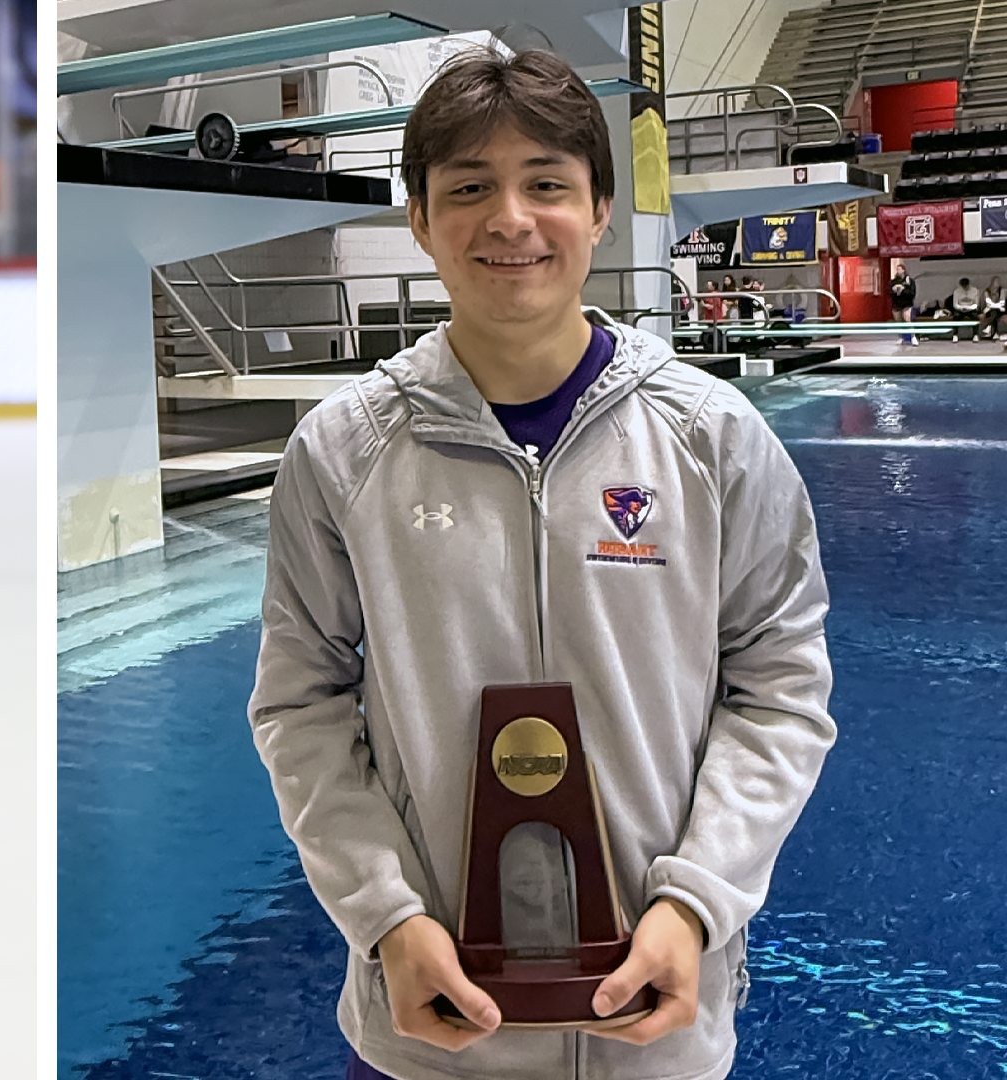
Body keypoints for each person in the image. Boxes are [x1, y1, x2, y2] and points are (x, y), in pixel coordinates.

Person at [247, 48, 834, 1080]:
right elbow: (299, 707)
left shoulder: (714, 439)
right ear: (419, 220)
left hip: (655, 1020)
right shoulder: (342, 453)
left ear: (600, 208)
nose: (510, 219)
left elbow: (780, 694)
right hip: (431, 1032)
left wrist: (695, 903)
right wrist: (386, 919)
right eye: (468, 187)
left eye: (547, 185)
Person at [891, 261, 918, 346]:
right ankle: (900, 337)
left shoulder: (910, 281)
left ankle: (913, 337)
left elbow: (912, 292)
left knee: (907, 320)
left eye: (899, 269)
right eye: (897, 269)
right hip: (897, 303)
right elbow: (888, 291)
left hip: (907, 303)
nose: (898, 271)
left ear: (903, 270)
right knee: (898, 321)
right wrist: (894, 290)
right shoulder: (894, 281)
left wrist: (903, 290)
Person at [982, 276, 1005, 342]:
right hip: (989, 310)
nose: (997, 283)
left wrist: (995, 306)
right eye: (996, 282)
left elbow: (1002, 302)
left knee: (995, 312)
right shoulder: (987, 291)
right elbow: (988, 303)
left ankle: (989, 327)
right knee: (994, 312)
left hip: (999, 310)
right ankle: (996, 333)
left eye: (998, 282)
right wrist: (997, 306)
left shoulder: (1002, 290)